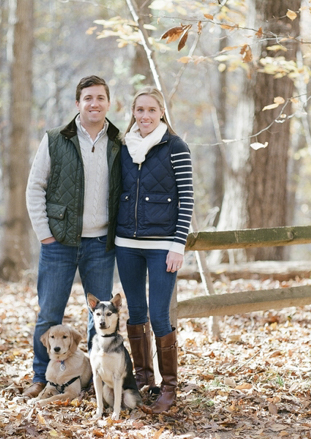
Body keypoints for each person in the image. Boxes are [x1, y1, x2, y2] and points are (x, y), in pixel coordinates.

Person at [23, 75, 122, 398]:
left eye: (100, 98)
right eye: (88, 98)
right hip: (59, 243)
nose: (94, 103)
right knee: (49, 314)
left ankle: (93, 379)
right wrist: (45, 234)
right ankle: (42, 378)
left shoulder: (119, 141)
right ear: (78, 103)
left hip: (101, 243)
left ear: (109, 103)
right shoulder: (55, 139)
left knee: (99, 317)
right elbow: (35, 187)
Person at [115, 86, 194, 413]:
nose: (145, 116)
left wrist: (178, 245)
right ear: (133, 113)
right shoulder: (123, 146)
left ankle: (169, 389)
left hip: (163, 246)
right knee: (136, 313)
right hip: (126, 245)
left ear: (161, 112)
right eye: (139, 110)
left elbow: (187, 198)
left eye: (151, 110)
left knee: (160, 315)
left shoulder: (175, 146)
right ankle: (144, 380)